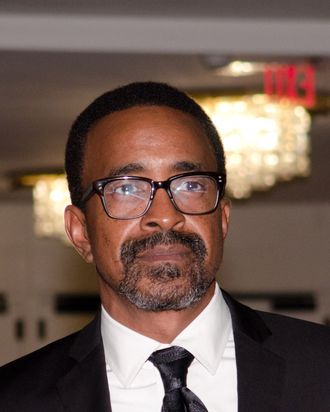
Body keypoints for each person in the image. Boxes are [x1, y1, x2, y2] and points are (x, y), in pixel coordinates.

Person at [0, 82, 329, 412]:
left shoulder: (320, 368)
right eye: (126, 189)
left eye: (191, 185)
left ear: (223, 218)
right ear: (80, 231)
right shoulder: (15, 399)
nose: (165, 216)